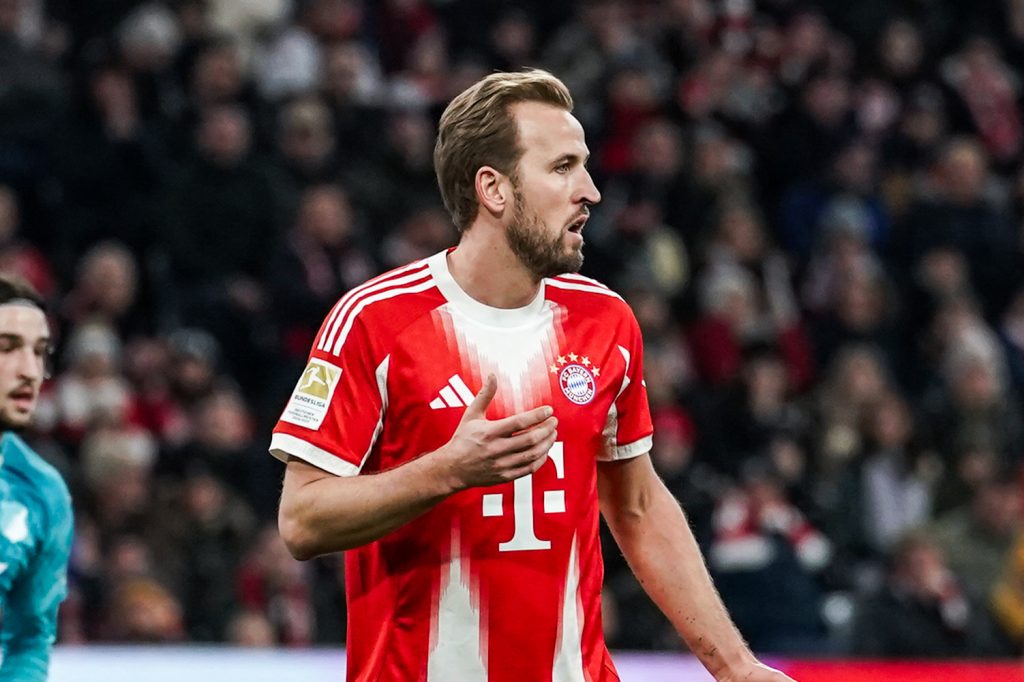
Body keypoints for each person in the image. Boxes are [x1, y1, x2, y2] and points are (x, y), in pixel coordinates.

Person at [272, 69, 794, 682]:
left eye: (585, 167)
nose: (590, 192)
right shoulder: (374, 321)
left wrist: (735, 667)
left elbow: (638, 506)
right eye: (563, 168)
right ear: (494, 189)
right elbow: (302, 520)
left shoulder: (606, 321)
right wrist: (446, 471)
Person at [0, 276, 75, 680]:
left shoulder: (42, 493)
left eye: (40, 352)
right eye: (6, 347)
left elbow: (29, 640)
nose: (30, 370)